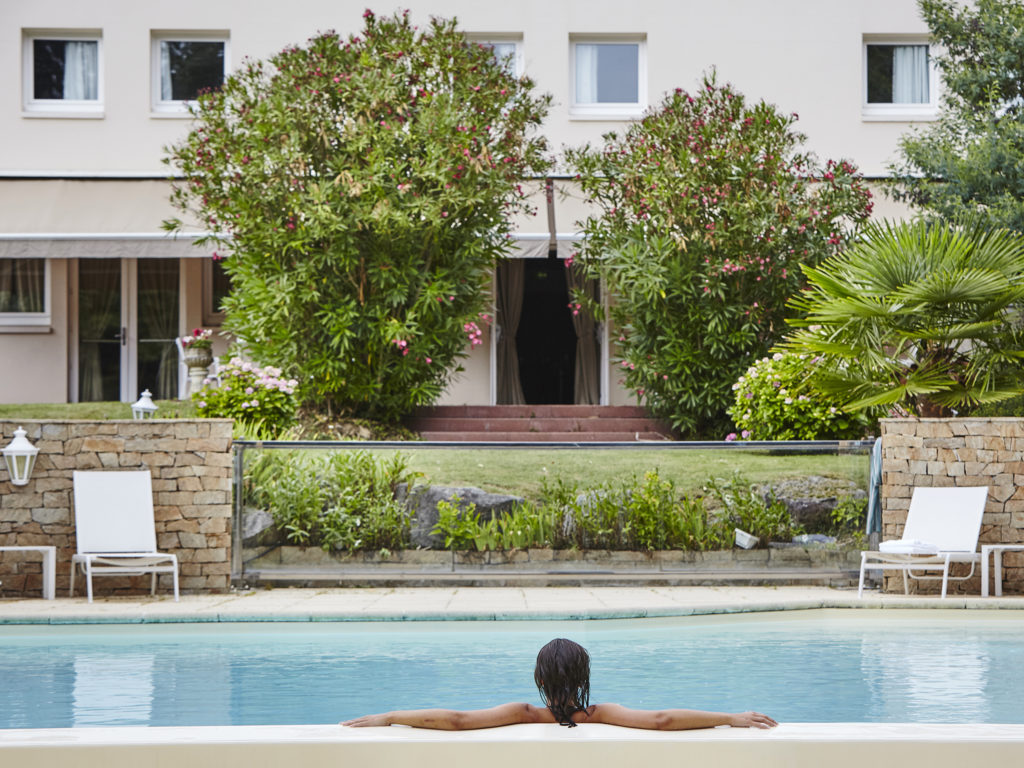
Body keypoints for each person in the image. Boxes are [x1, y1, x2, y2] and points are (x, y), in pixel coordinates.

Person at [342, 637, 777, 731]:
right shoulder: (600, 714)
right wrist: (730, 717)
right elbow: (662, 720)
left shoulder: (524, 713)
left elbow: (456, 720)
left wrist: (391, 716)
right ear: (584, 677)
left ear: (538, 678)